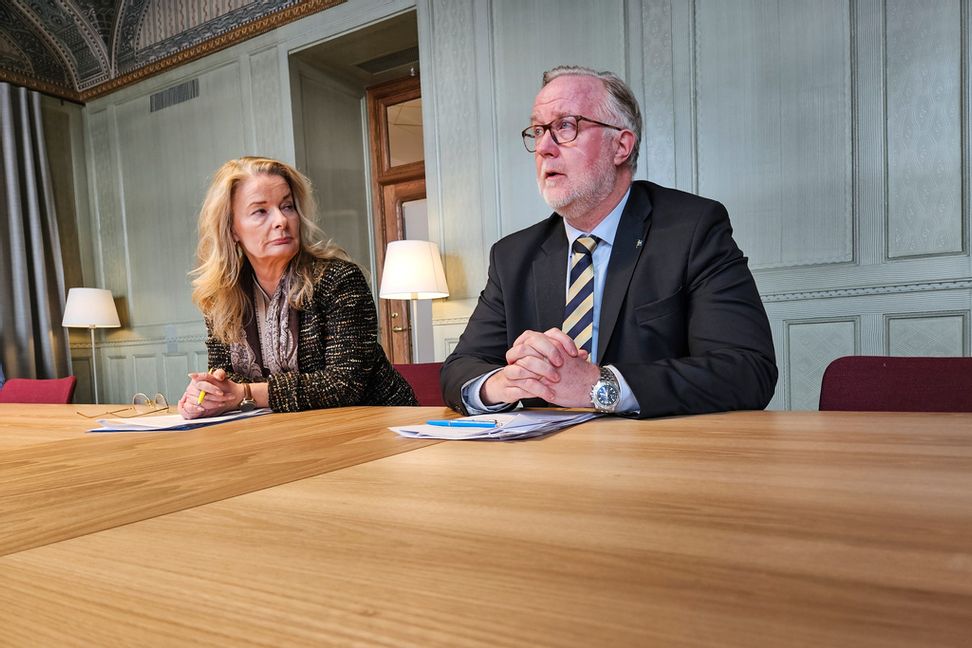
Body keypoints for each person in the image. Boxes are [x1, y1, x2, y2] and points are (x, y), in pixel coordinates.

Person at [440, 66, 777, 419]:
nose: (544, 148)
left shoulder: (692, 228)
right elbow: (459, 369)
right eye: (538, 131)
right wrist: (505, 383)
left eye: (565, 126)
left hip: (655, 447)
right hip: (545, 450)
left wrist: (598, 385)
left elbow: (747, 369)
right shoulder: (512, 256)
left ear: (620, 146)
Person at [178, 156, 415, 418]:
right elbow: (225, 377)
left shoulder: (338, 279)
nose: (281, 220)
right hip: (290, 426)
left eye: (287, 206)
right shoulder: (221, 295)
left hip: (379, 421)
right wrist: (207, 393)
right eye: (260, 211)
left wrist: (245, 393)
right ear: (232, 228)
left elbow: (344, 384)